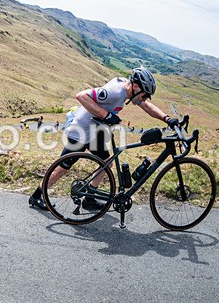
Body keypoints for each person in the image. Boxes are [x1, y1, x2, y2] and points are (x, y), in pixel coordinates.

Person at [29, 67, 178, 210]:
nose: (144, 99)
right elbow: (81, 96)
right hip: (80, 131)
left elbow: (146, 106)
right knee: (62, 168)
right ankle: (37, 196)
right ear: (136, 86)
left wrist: (166, 118)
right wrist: (107, 116)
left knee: (106, 163)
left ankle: (90, 197)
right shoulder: (114, 92)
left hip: (94, 131)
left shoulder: (129, 90)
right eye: (144, 95)